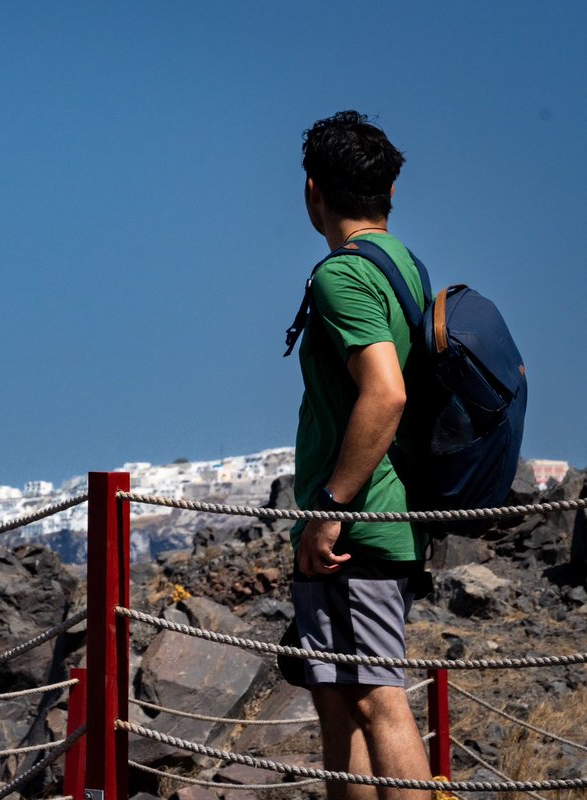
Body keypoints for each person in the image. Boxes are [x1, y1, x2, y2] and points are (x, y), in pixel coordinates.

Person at [290, 110, 432, 800]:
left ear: (312, 190)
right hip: (387, 515)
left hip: (357, 524)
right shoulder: (404, 265)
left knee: (376, 698)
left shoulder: (342, 277)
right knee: (340, 699)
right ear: (390, 193)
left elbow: (386, 391)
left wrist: (330, 508)